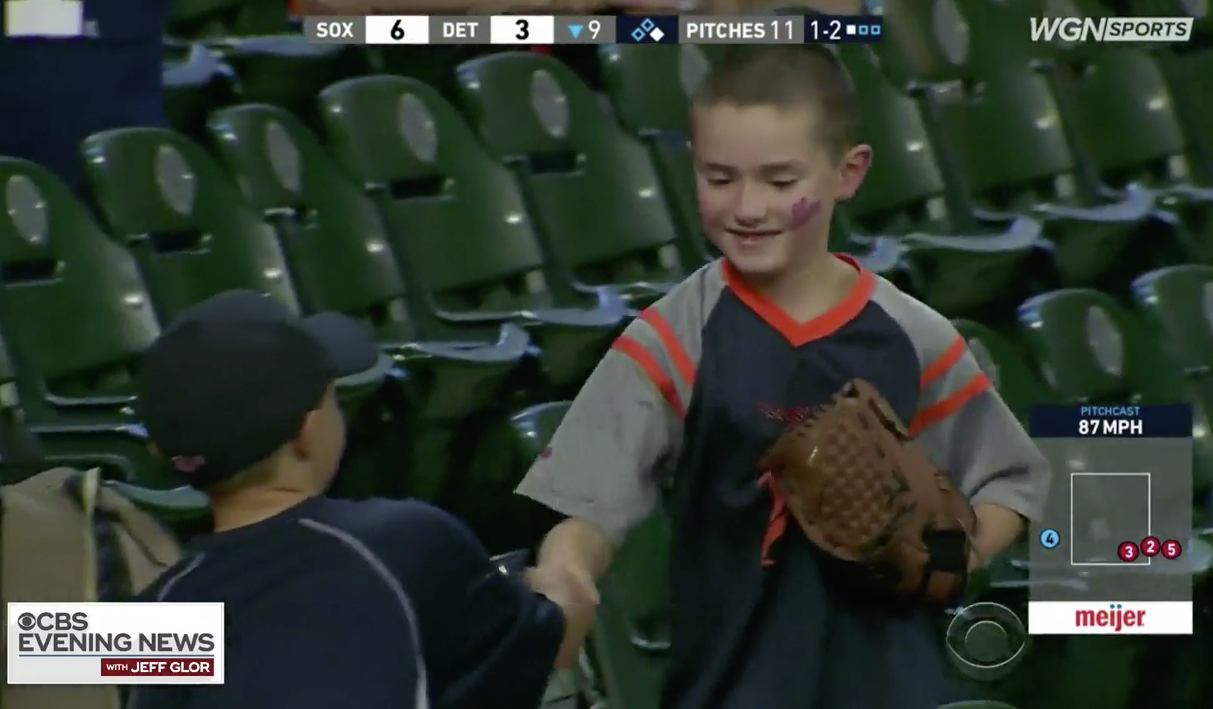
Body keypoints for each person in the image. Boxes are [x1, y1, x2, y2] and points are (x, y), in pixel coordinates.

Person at [515, 45, 1051, 709]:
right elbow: (590, 503)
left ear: (846, 172)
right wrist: (567, 572)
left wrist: (955, 556)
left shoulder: (911, 333)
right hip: (732, 684)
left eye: (778, 180)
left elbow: (1010, 479)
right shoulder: (674, 335)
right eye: (719, 178)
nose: (746, 206)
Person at [126, 290, 597, 709]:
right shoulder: (401, 544)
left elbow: (64, 650)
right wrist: (570, 546)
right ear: (307, 432)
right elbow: (558, 634)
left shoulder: (162, 612)